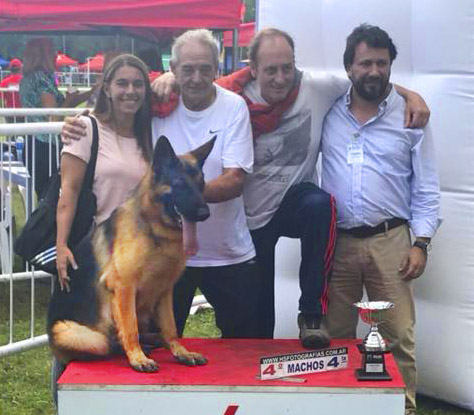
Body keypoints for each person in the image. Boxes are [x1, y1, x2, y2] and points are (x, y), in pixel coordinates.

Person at [151, 27, 430, 349]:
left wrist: (410, 95)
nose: (281, 78)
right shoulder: (234, 95)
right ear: (253, 70)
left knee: (320, 205)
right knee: (258, 331)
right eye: (271, 70)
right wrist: (168, 78)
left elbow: (367, 78)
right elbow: (188, 81)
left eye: (287, 68)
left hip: (292, 203)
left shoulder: (316, 87)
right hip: (251, 217)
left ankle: (311, 315)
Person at [61, 29, 260, 340]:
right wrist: (81, 122)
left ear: (217, 68)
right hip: (160, 253)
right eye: (188, 69)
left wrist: (185, 197)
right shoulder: (156, 106)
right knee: (159, 349)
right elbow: (116, 114)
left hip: (226, 251)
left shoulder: (234, 107)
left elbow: (235, 180)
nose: (196, 78)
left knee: (246, 345)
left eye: (205, 68)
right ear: (174, 68)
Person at [320, 24, 440, 415]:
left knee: (397, 334)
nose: (374, 71)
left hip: (392, 240)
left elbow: (426, 187)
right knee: (335, 332)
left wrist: (421, 243)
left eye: (382, 63)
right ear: (349, 67)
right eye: (365, 63)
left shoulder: (411, 117)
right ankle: (333, 411)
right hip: (338, 241)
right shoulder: (328, 108)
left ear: (391, 66)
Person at [46, 53, 153, 415]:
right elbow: (68, 193)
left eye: (138, 84)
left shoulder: (146, 134)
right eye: (122, 83)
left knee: (115, 343)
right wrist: (61, 246)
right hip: (87, 255)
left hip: (128, 260)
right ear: (106, 86)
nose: (130, 91)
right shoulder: (86, 128)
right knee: (74, 343)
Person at [19, 37, 96, 200]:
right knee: (52, 196)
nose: (55, 55)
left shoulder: (28, 78)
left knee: (45, 195)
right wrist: (70, 100)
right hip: (46, 146)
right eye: (52, 51)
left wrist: (90, 93)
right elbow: (54, 116)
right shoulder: (41, 78)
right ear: (43, 54)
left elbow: (61, 106)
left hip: (34, 143)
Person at [0, 58, 23, 123]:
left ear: (9, 69)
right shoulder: (24, 81)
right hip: (23, 111)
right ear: (20, 68)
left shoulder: (4, 82)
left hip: (10, 112)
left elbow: (1, 98)